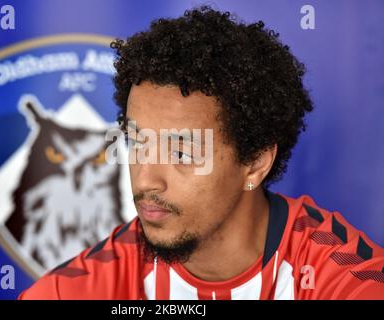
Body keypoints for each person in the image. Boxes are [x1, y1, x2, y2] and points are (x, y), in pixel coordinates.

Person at [20, 6, 384, 300]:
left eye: (181, 151)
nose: (146, 179)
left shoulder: (345, 280)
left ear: (255, 161)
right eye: (137, 142)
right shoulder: (75, 289)